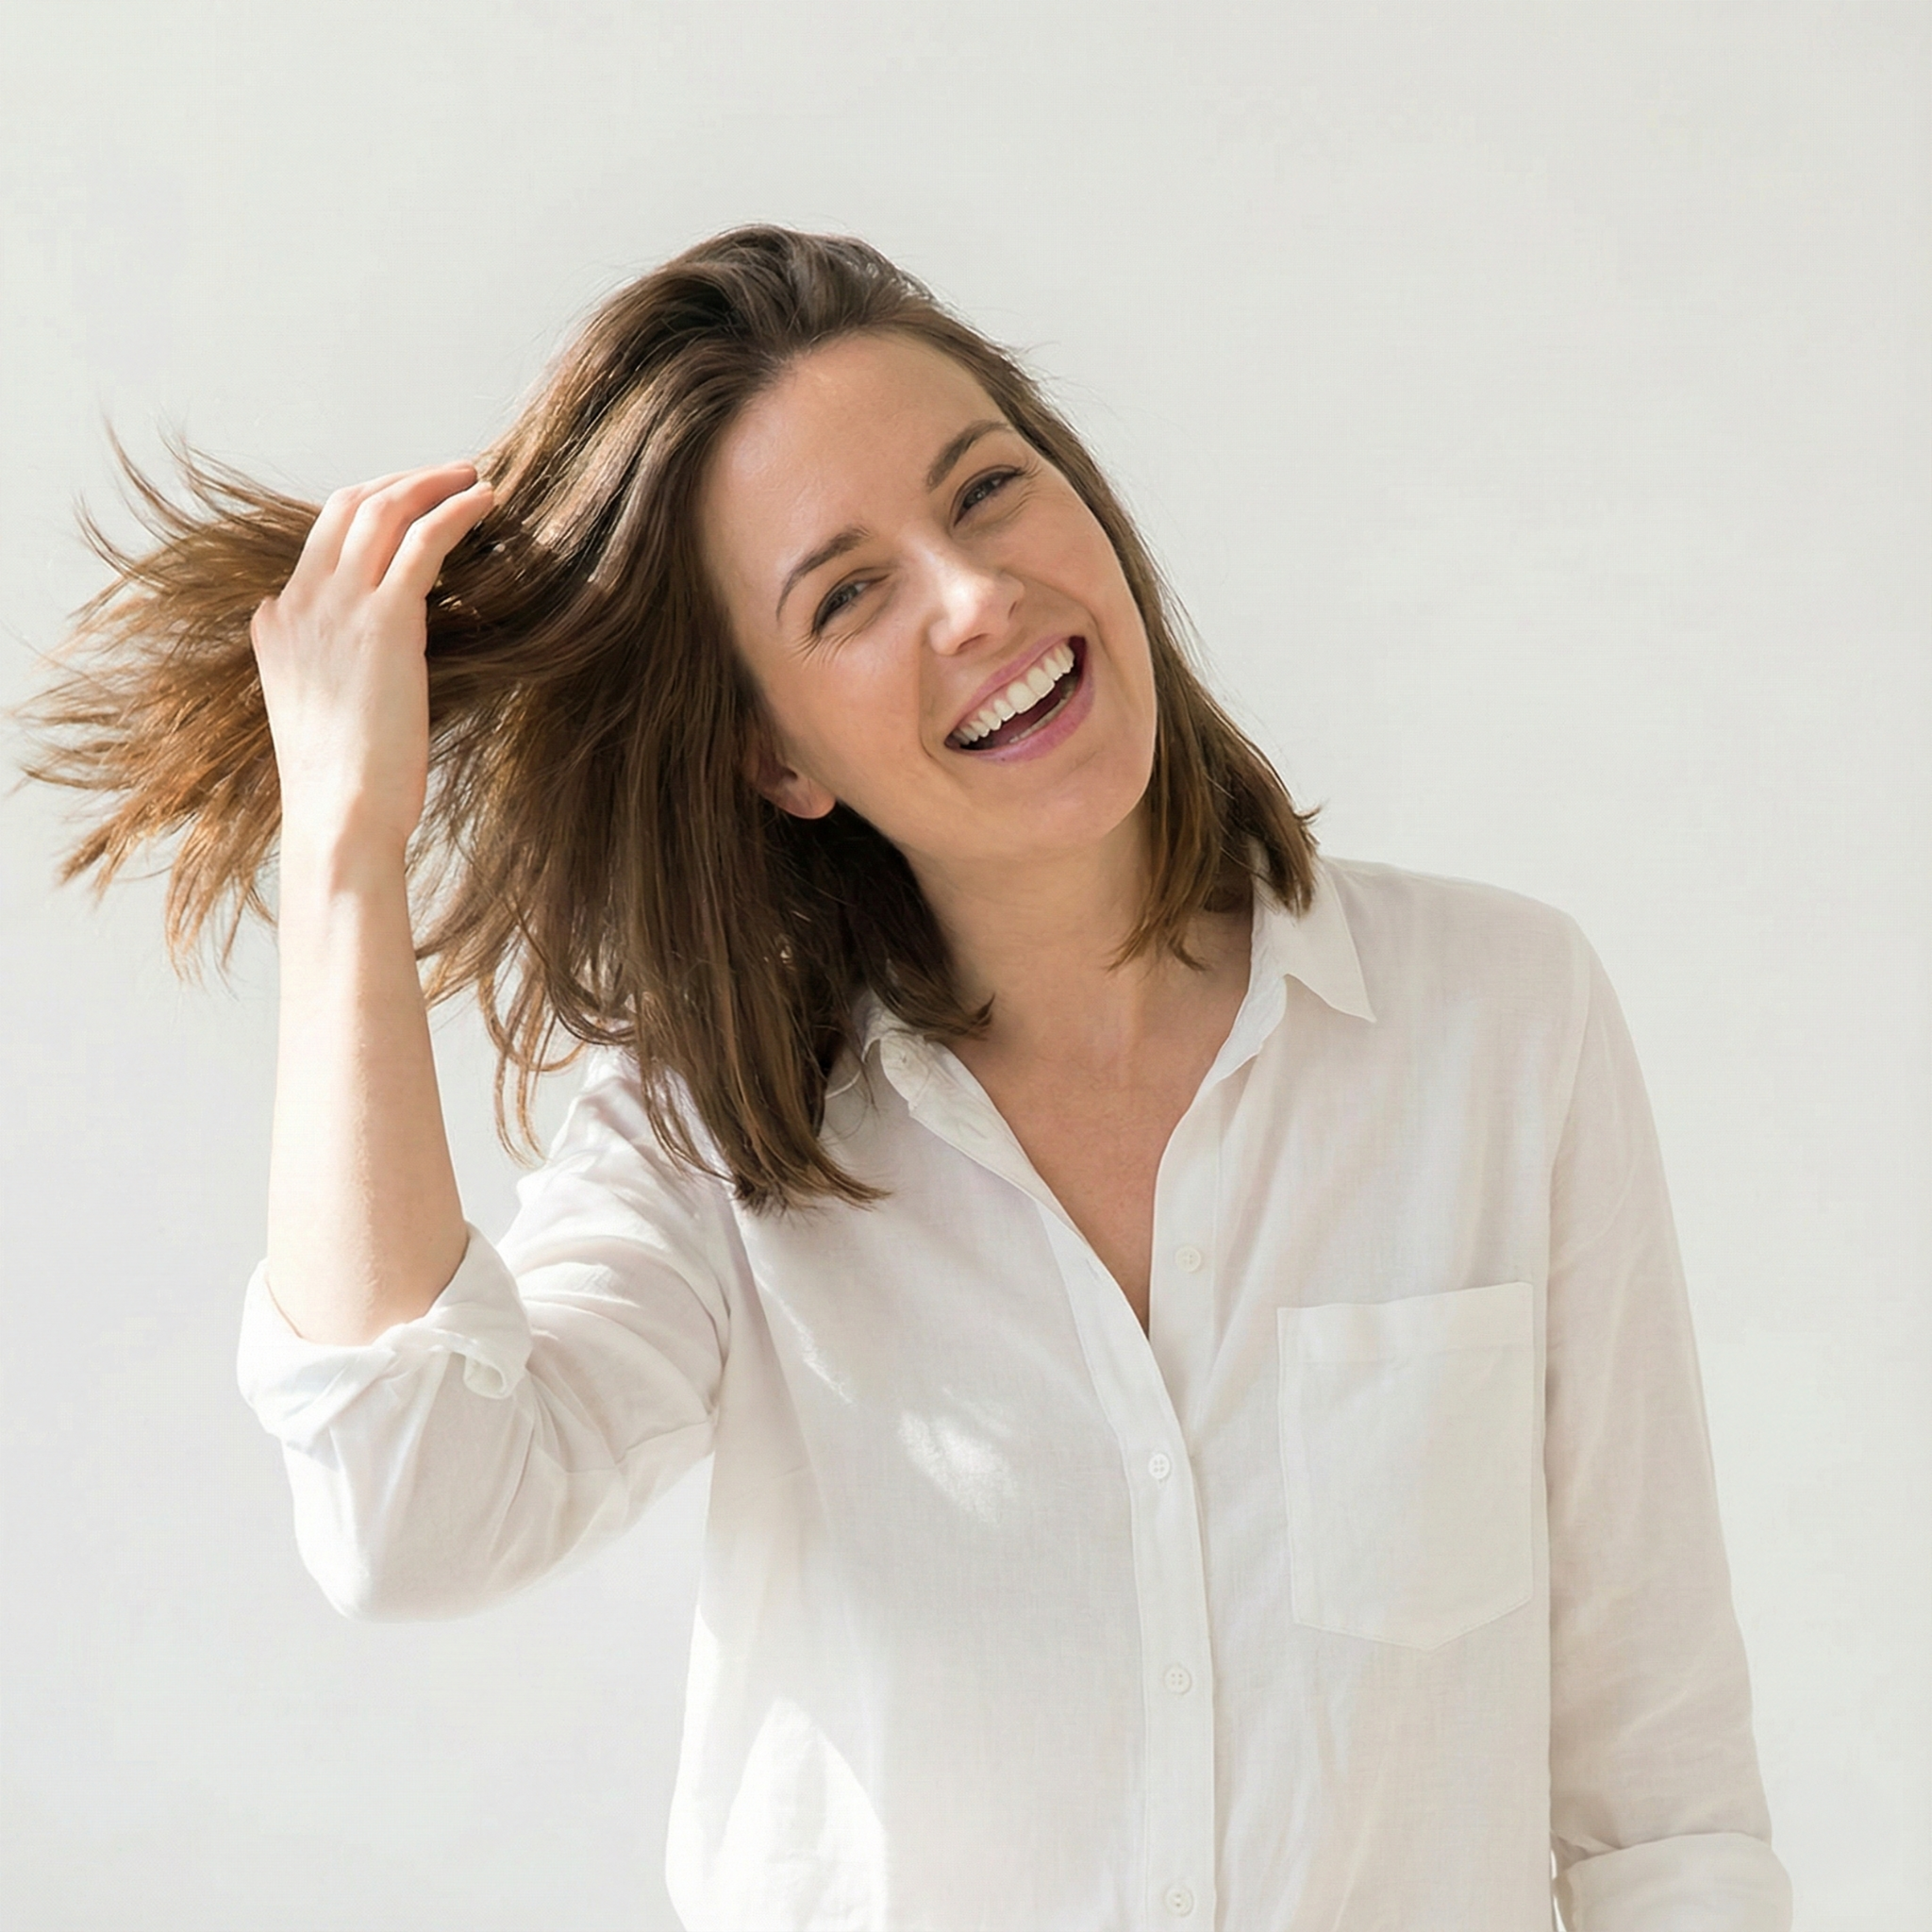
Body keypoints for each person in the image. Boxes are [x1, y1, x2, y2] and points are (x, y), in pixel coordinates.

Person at [19, 225, 1791, 1930]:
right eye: (848, 592)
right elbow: (412, 1518)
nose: (975, 595)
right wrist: (347, 841)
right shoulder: (720, 1129)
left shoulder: (1501, 1021)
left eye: (988, 486)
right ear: (774, 754)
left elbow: (1660, 1804)